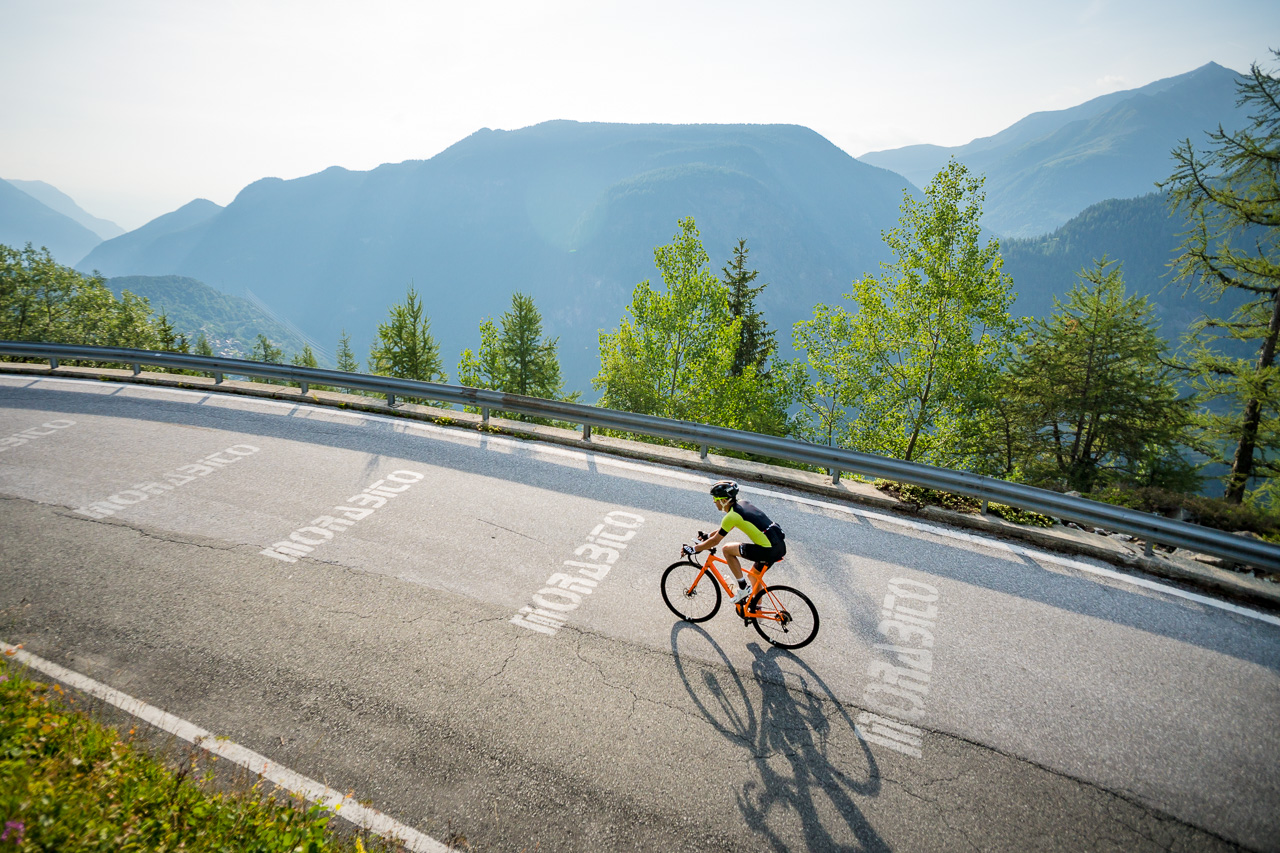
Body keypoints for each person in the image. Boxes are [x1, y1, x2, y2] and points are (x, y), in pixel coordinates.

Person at [684, 479, 786, 604]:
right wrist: (707, 535)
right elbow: (726, 528)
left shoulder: (731, 516)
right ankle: (757, 612)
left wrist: (694, 549)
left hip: (768, 550)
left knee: (727, 549)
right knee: (753, 576)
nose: (714, 501)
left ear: (724, 500)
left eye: (716, 499)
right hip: (778, 546)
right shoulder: (743, 504)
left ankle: (743, 588)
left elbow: (716, 541)